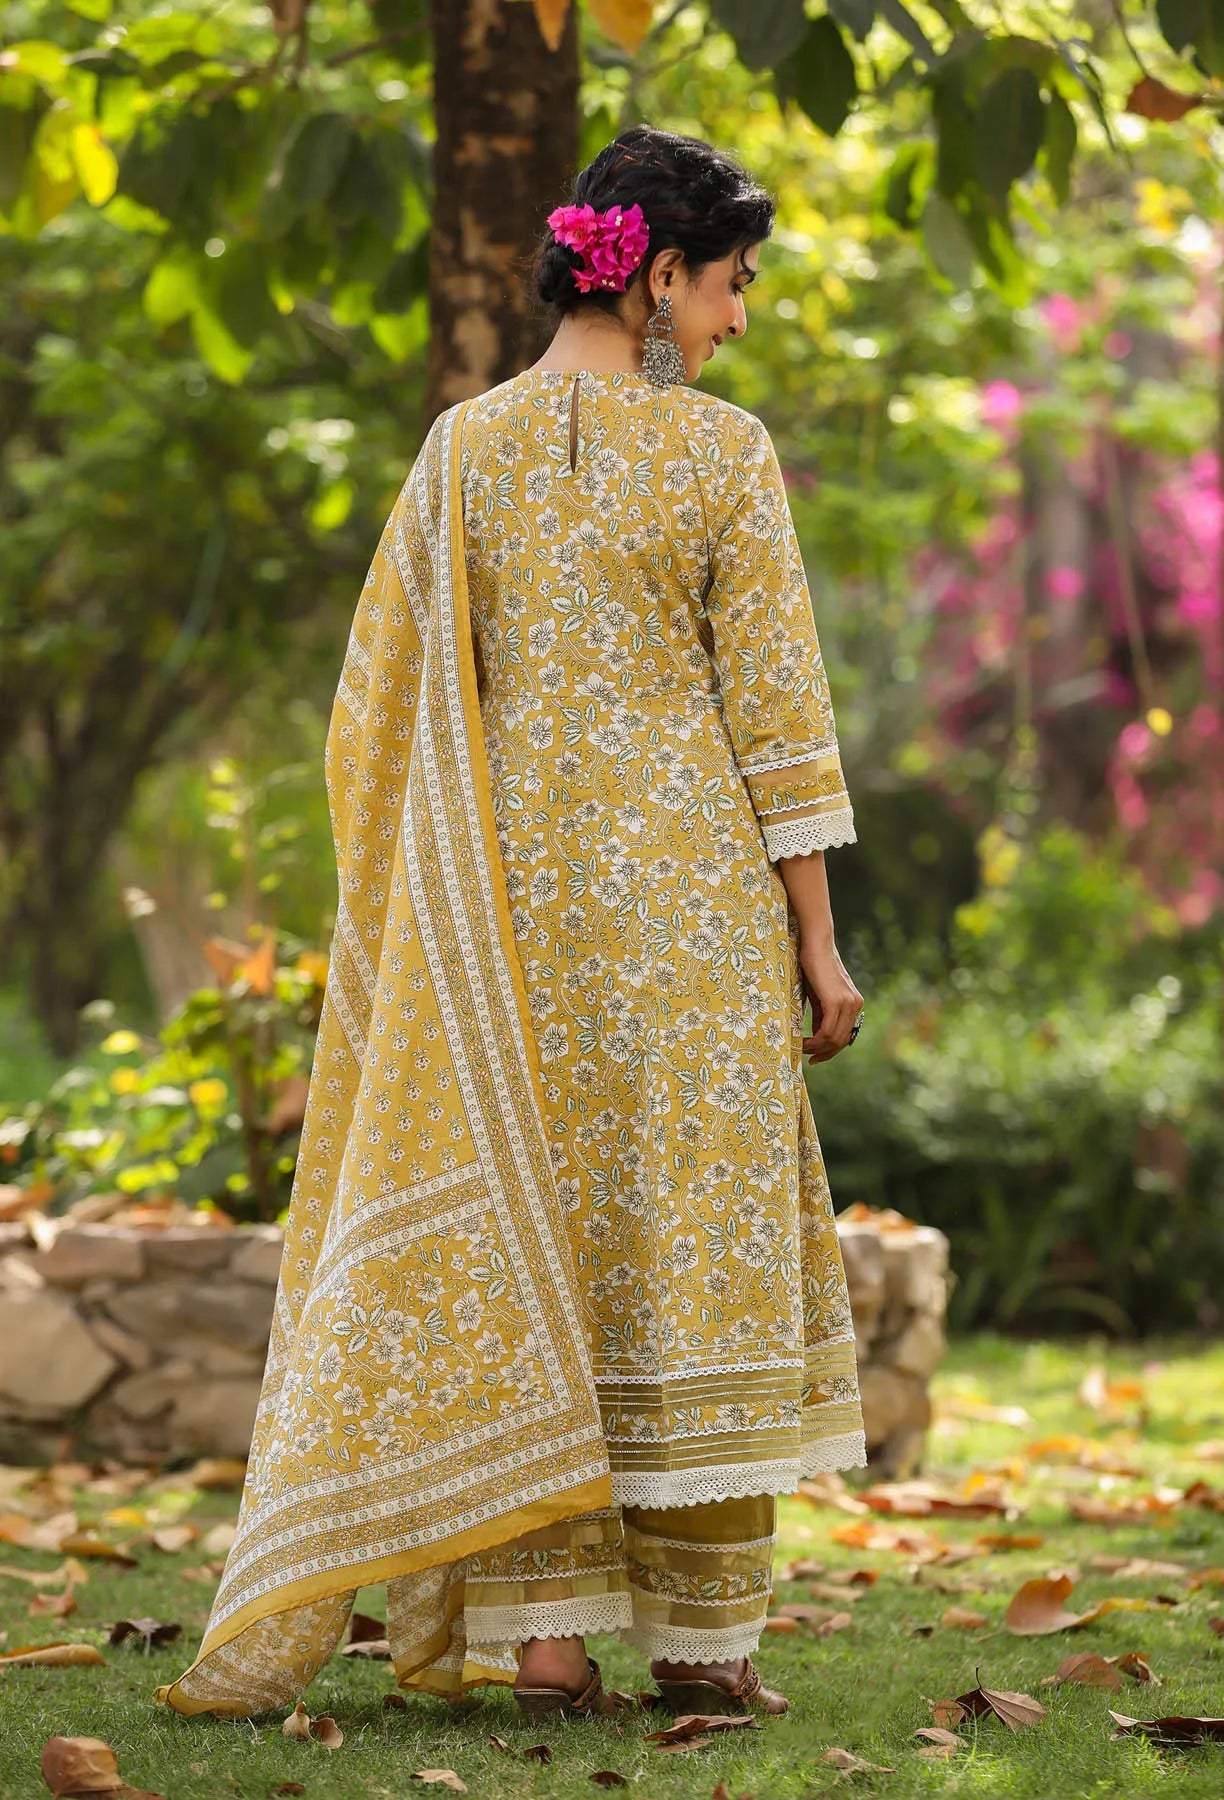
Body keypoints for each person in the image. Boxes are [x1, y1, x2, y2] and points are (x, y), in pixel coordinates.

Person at [156, 124, 866, 1729]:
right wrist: (817, 942)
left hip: (512, 924)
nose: (740, 321)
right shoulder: (722, 455)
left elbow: (381, 715)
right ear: (663, 272)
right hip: (689, 910)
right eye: (735, 283)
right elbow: (778, 718)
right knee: (686, 1252)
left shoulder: (456, 454)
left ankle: (548, 1644)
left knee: (550, 1248)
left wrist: (422, 918)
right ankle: (704, 1646)